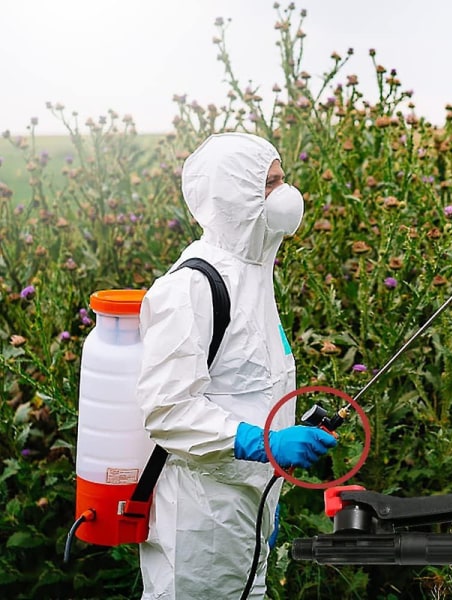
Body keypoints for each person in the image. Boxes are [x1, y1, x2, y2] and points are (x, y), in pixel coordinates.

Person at [135, 132, 337, 599]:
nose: (285, 195)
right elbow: (167, 411)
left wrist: (267, 484)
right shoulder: (191, 288)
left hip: (247, 505)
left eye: (282, 179)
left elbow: (253, 386)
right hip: (202, 519)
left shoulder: (252, 275)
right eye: (269, 184)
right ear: (235, 195)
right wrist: (265, 444)